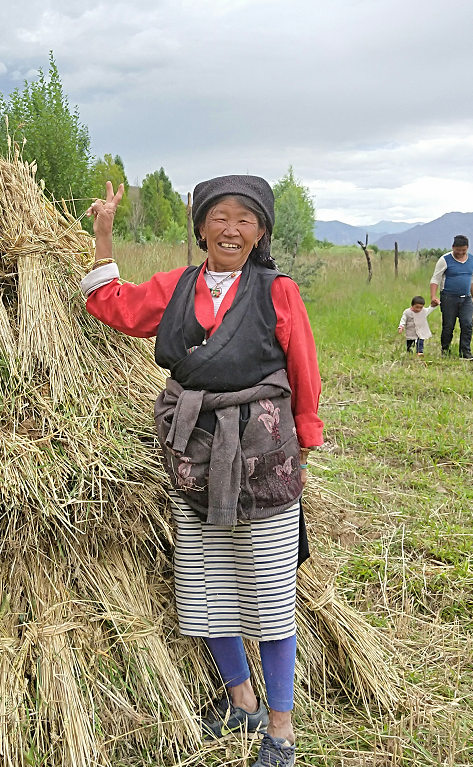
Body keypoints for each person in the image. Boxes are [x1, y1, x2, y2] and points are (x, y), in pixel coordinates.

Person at [82, 174, 322, 767]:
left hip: (264, 455)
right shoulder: (179, 287)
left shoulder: (277, 292)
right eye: (219, 217)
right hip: (195, 452)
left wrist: (302, 447)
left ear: (261, 230)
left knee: (270, 595)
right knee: (208, 586)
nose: (231, 229)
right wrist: (104, 238)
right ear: (201, 228)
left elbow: (304, 370)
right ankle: (240, 699)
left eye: (245, 218)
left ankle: (281, 728)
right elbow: (115, 307)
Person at [430, 235, 473, 360]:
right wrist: (433, 296)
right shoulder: (444, 260)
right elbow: (435, 279)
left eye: (463, 250)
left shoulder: (472, 259)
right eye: (458, 250)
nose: (461, 253)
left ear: (467, 248)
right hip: (448, 297)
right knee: (448, 326)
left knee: (467, 324)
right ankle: (445, 349)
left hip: (466, 298)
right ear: (453, 247)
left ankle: (465, 352)